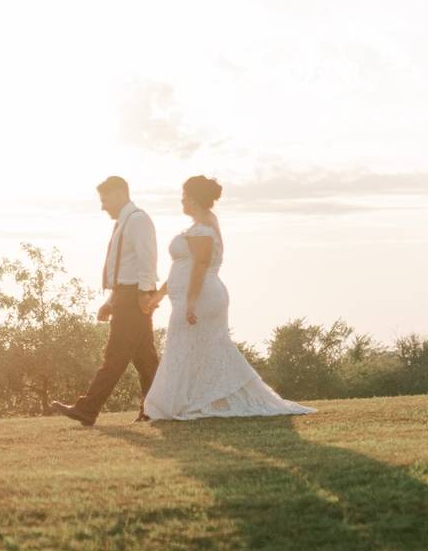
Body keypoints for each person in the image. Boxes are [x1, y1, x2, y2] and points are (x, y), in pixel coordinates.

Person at [144, 176, 317, 420]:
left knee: (194, 347)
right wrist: (159, 295)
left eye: (183, 196)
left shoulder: (204, 228)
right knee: (202, 349)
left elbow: (200, 267)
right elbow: (184, 266)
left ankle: (190, 401)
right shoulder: (201, 225)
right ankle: (202, 400)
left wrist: (191, 302)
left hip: (201, 298)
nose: (181, 200)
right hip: (190, 298)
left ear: (193, 199)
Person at [51, 176, 159, 425]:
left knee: (116, 355)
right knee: (145, 359)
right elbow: (124, 267)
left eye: (105, 199)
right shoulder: (123, 223)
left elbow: (147, 259)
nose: (103, 206)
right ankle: (156, 409)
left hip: (134, 296)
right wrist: (111, 299)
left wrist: (144, 294)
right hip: (125, 294)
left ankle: (88, 408)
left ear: (120, 193)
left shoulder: (138, 220)